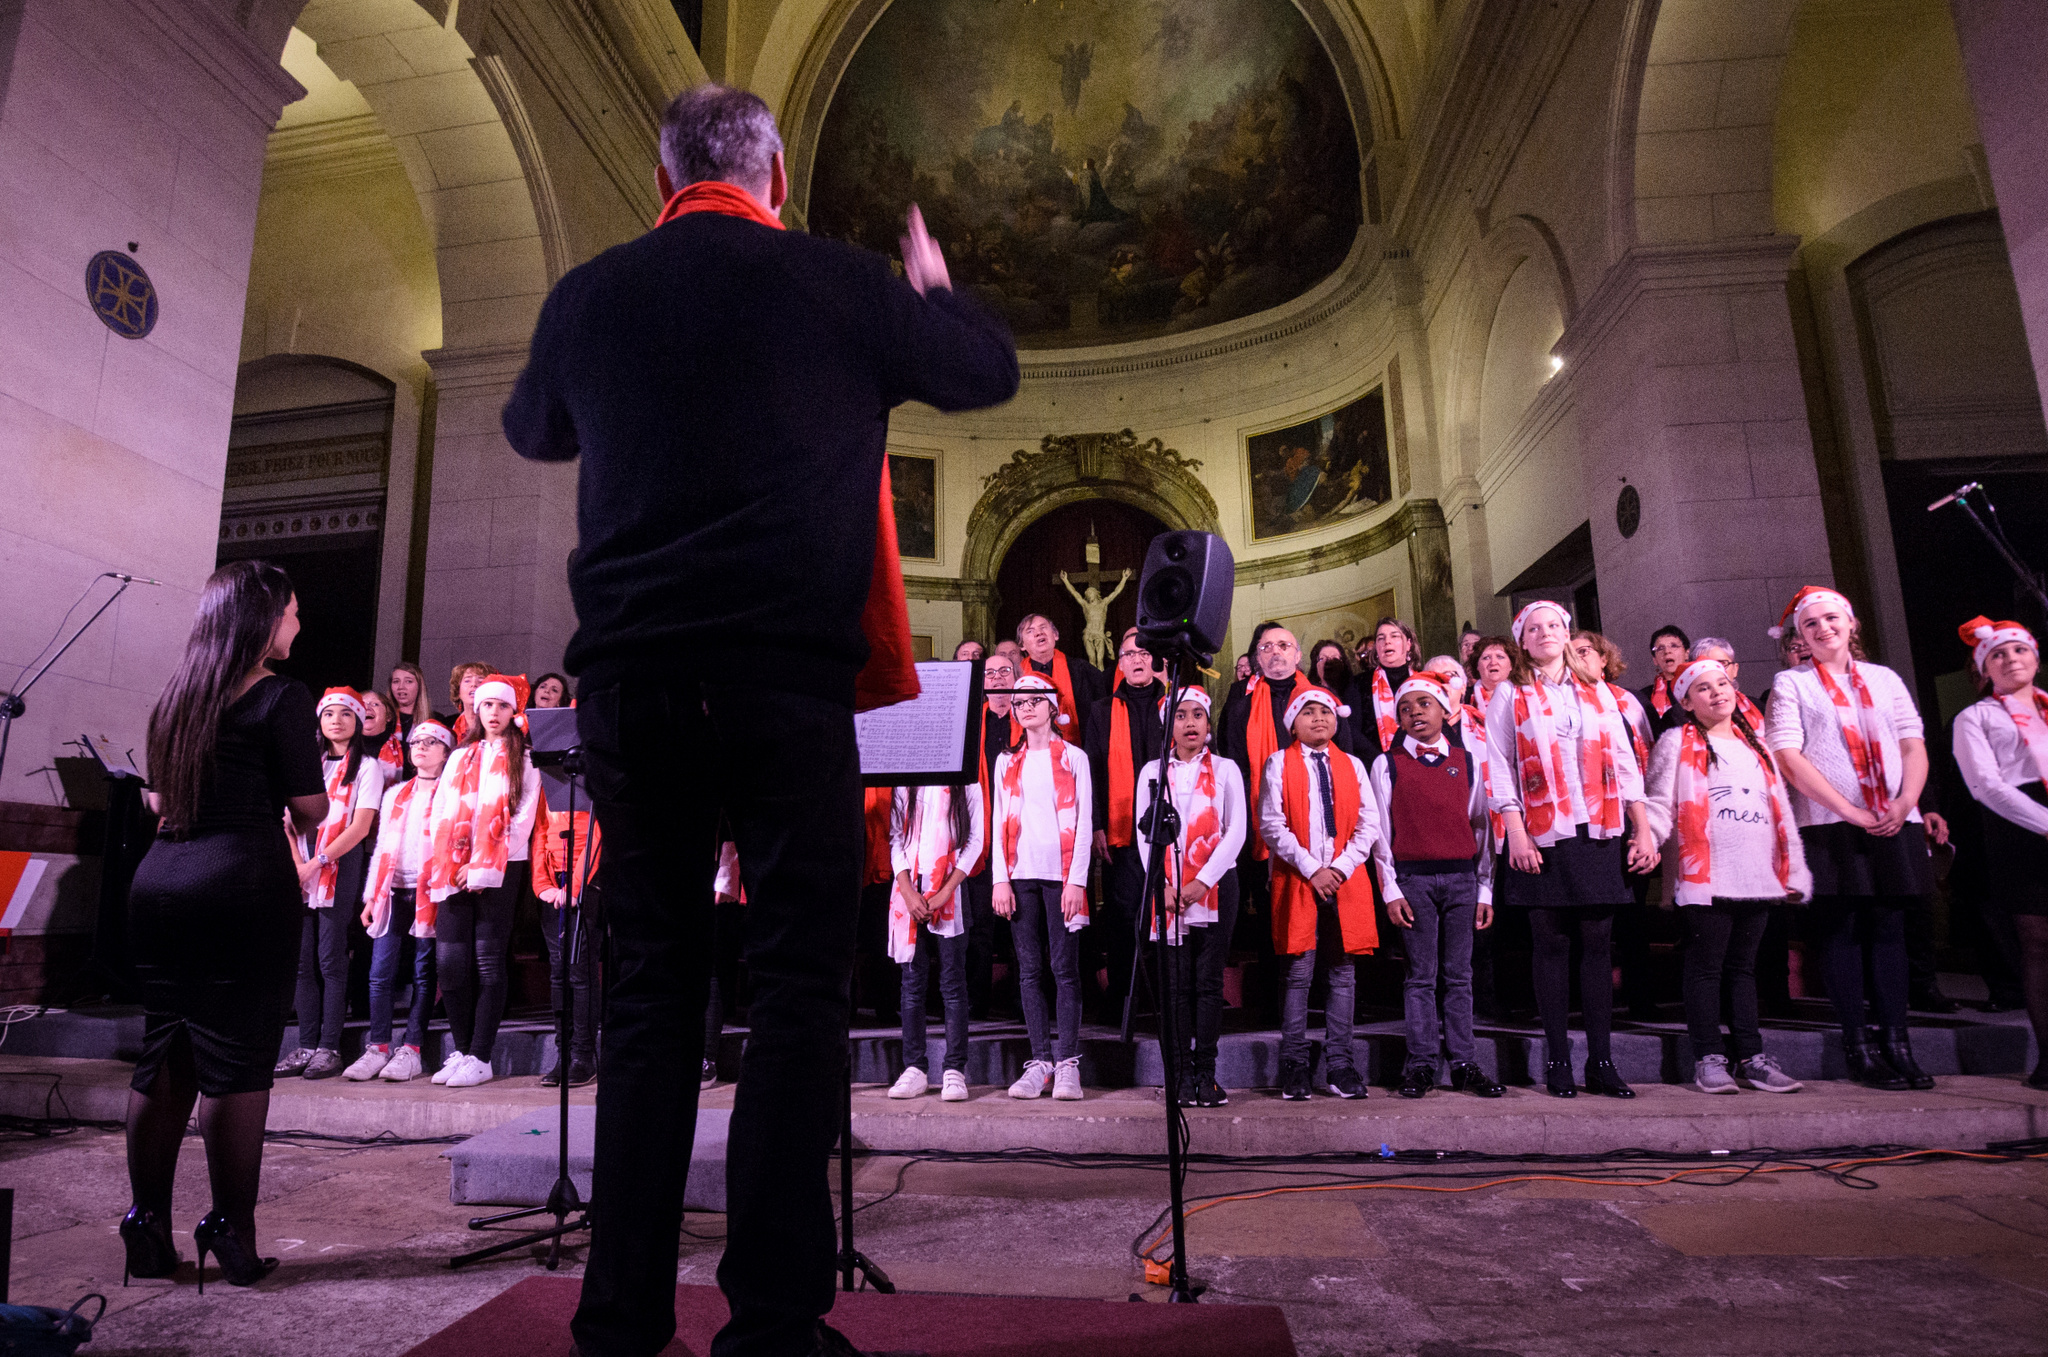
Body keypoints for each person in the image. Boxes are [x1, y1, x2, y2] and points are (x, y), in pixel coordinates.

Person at [502, 82, 1019, 1357]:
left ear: (661, 171)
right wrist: (932, 290)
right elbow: (984, 370)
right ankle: (773, 1322)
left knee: (653, 995)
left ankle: (618, 1317)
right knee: (793, 988)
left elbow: (530, 426)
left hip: (631, 684)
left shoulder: (591, 294)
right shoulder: (837, 284)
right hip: (785, 684)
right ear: (774, 171)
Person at [122, 560, 328, 1291]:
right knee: (238, 1065)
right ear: (263, 618)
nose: (298, 625)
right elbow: (310, 807)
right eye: (293, 612)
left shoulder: (175, 698)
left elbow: (156, 801)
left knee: (165, 1050)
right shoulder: (280, 695)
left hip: (160, 881)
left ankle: (145, 1222)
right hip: (239, 882)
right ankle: (230, 1229)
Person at [1486, 601, 1659, 1099]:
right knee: (1551, 946)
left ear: (1567, 632)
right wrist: (1515, 833)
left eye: (1554, 626)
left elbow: (1625, 763)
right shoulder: (1510, 693)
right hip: (1541, 834)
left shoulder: (1597, 689)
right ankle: (1559, 1061)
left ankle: (1602, 1062)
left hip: (1599, 831)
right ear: (1522, 639)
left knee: (1598, 946)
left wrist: (1642, 829)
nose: (1545, 633)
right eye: (1534, 628)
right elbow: (1498, 765)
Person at [1763, 586, 1934, 1090]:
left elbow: (1912, 742)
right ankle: (1857, 1044)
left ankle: (1898, 1042)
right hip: (1829, 822)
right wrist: (1850, 812)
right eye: (1811, 624)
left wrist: (1904, 803)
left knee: (1889, 931)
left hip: (1895, 816)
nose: (1823, 629)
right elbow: (1789, 756)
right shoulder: (1790, 683)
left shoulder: (1884, 679)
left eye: (1831, 618)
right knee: (1841, 932)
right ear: (1800, 635)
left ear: (1852, 623)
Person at [1642, 660, 1809, 1095]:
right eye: (1703, 688)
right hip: (1707, 876)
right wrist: (1647, 838)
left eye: (1722, 683)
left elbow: (1781, 811)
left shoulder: (1759, 746)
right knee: (1705, 969)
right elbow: (1660, 802)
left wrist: (1794, 870)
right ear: (1686, 701)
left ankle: (1751, 1058)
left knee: (1743, 970)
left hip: (1757, 874)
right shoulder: (1675, 742)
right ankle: (1709, 1057)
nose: (1717, 693)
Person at [1369, 673, 1502, 1099]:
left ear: (1445, 711)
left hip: (1462, 879)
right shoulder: (1387, 763)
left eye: (1424, 705)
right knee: (1421, 976)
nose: (1414, 714)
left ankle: (1464, 1062)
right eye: (1405, 709)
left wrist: (1484, 888)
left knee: (1459, 975)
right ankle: (1422, 1063)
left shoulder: (1466, 762)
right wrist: (1390, 889)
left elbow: (1481, 827)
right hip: (1414, 880)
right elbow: (1380, 833)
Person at [1259, 685, 1380, 1100]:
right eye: (1308, 712)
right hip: (1299, 879)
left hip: (1345, 881)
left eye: (1326, 712)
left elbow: (1369, 825)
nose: (1319, 719)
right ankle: (1294, 1062)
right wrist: (1313, 870)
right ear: (1293, 722)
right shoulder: (1278, 763)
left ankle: (1340, 1064)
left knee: (1342, 972)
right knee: (1298, 973)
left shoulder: (1353, 765)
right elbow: (1273, 825)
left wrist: (1340, 868)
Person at [424, 674, 542, 1089]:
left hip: (499, 869)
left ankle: (481, 1054)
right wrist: (448, 863)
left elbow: (523, 817)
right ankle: (460, 1049)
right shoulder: (460, 756)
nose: (493, 713)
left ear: (514, 712)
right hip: (452, 868)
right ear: (476, 710)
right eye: (486, 705)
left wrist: (482, 867)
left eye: (502, 706)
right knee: (450, 963)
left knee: (487, 960)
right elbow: (440, 810)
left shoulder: (524, 757)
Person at [1134, 687, 1246, 1107]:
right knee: (1176, 986)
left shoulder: (1226, 768)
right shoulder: (1152, 771)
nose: (1190, 723)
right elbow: (1146, 835)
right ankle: (1179, 1075)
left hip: (1216, 885)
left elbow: (1236, 830)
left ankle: (1206, 1074)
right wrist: (1160, 885)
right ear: (1169, 724)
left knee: (1207, 981)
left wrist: (1203, 882)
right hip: (1166, 889)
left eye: (1198, 714)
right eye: (1180, 715)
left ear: (1208, 722)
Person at [1950, 617, 2048, 1089]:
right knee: (2038, 942)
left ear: (2035, 657)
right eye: (1998, 655)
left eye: (2019, 651)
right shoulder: (1976, 718)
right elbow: (1985, 785)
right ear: (1984, 669)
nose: (2011, 660)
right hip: (2018, 826)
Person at [993, 673, 1094, 1101]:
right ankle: (1040, 1063)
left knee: (1064, 970)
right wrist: (1000, 878)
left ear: (1053, 706)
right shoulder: (1005, 761)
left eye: (1035, 700)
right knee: (1029, 970)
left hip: (1060, 876)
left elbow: (1085, 822)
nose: (1026, 707)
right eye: (1019, 702)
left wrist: (1077, 881)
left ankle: (1068, 1064)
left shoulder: (1074, 757)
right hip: (1021, 874)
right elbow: (999, 821)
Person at [276, 687, 385, 1081]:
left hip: (339, 863)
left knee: (330, 959)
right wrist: (297, 863)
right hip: (301, 866)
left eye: (345, 714)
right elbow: (289, 821)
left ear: (357, 723)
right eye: (328, 715)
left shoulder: (368, 767)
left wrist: (318, 862)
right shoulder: (309, 766)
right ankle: (305, 1044)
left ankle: (329, 1047)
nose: (336, 721)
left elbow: (360, 825)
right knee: (302, 963)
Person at [349, 718, 456, 1082]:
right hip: (391, 891)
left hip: (430, 891)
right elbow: (381, 848)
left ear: (445, 752)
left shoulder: (451, 791)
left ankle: (411, 1048)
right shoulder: (396, 793)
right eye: (416, 742)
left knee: (424, 973)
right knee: (379, 973)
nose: (421, 747)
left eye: (431, 742)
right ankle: (377, 1046)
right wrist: (369, 898)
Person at [884, 777, 985, 1101]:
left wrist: (945, 892)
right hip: (909, 891)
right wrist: (908, 891)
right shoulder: (905, 783)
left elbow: (975, 841)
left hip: (950, 891)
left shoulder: (966, 782)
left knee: (953, 982)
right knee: (912, 984)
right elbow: (896, 838)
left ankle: (954, 1069)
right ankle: (914, 1068)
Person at [1084, 628, 1165, 1024]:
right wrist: (1097, 824)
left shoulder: (1177, 704)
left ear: (1155, 661)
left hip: (1171, 834)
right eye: (1129, 654)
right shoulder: (1101, 710)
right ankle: (1123, 1000)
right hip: (1123, 833)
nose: (1137, 659)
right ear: (1120, 663)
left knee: (1171, 917)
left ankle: (1168, 998)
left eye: (1144, 653)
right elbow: (1093, 770)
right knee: (1123, 916)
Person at [533, 775, 603, 1088]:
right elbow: (539, 833)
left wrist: (575, 888)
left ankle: (583, 1056)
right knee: (558, 973)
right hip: (553, 885)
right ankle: (563, 1053)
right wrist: (542, 885)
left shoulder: (592, 776)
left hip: (585, 882)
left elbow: (597, 835)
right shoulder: (548, 780)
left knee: (580, 972)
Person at [965, 651, 1021, 1018]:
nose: (998, 677)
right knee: (980, 924)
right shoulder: (971, 722)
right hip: (979, 831)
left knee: (1022, 924)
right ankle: (978, 1002)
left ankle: (1022, 1002)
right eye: (991, 672)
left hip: (1021, 835)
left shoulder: (1029, 718)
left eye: (1005, 670)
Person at [1017, 612, 1106, 739]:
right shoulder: (1016, 676)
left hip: (1076, 748)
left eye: (1043, 627)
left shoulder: (1083, 670)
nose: (1039, 633)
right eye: (1030, 631)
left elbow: (1100, 715)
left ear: (1055, 635)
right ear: (1022, 645)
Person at [1352, 616, 1420, 761]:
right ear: (1376, 647)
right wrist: (1383, 761)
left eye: (1394, 636)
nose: (1387, 641)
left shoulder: (1423, 682)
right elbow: (1353, 732)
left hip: (1421, 761)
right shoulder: (1358, 684)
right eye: (1381, 638)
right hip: (1376, 764)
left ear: (1408, 644)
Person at [1639, 624, 1693, 735]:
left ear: (1687, 653)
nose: (1667, 651)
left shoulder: (1699, 687)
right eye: (1660, 648)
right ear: (1655, 660)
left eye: (1673, 646)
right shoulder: (1644, 697)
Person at [448, 660, 493, 741]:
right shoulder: (447, 725)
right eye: (467, 681)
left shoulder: (496, 723)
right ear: (458, 691)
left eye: (480, 681)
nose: (473, 684)